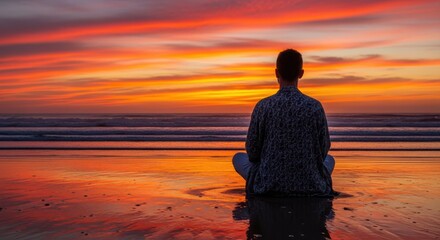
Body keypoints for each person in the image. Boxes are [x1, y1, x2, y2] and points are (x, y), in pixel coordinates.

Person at [232, 49, 335, 197]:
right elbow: (324, 149)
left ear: (276, 73)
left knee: (238, 158)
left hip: (269, 184)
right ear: (301, 73)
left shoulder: (263, 106)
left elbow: (252, 152)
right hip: (310, 185)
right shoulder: (315, 106)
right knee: (330, 160)